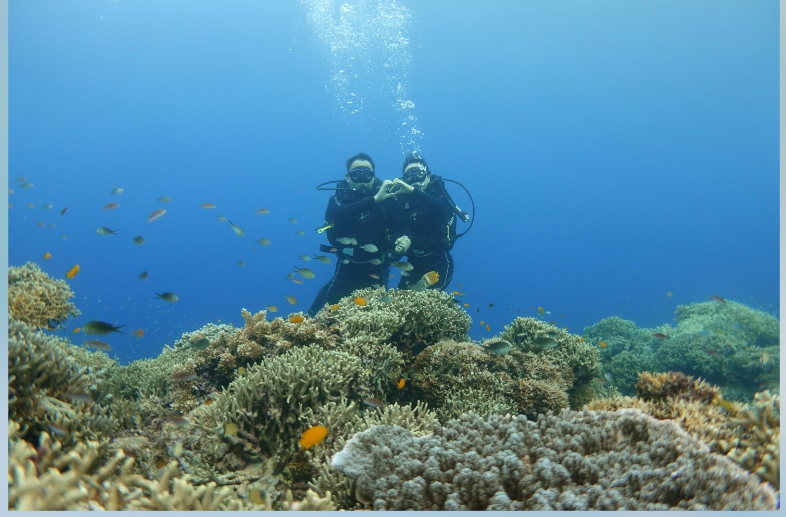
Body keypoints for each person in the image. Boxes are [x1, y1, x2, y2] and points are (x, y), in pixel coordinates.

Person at [308, 153, 411, 316]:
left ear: (374, 176)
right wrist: (375, 199)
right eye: (356, 175)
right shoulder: (339, 198)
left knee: (378, 314)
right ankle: (308, 317)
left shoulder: (386, 198)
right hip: (348, 263)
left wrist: (405, 240)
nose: (362, 180)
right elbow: (339, 213)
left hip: (378, 264)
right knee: (329, 314)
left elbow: (402, 226)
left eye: (367, 174)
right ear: (347, 177)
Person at [390, 153, 457, 291]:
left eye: (419, 173)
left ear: (427, 175)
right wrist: (400, 245)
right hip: (413, 264)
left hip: (439, 262)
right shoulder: (400, 201)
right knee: (399, 304)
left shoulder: (437, 194)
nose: (414, 178)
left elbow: (443, 208)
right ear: (404, 180)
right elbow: (398, 226)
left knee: (427, 302)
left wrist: (413, 191)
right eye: (409, 175)